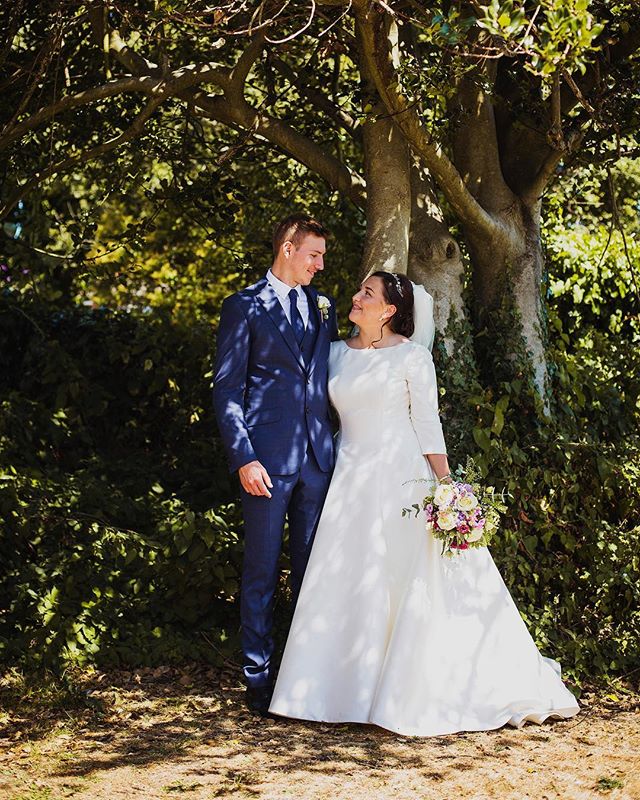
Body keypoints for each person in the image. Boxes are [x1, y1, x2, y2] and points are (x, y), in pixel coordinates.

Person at [269, 271, 579, 736]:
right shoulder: (333, 354)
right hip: (349, 476)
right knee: (352, 576)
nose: (355, 298)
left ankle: (407, 691)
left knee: (406, 577)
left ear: (389, 310)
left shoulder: (413, 358)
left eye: (366, 294)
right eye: (359, 291)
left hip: (402, 476)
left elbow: (428, 428)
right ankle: (336, 690)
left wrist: (447, 488)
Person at [213, 214, 338, 716]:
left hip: (317, 460)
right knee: (262, 571)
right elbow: (227, 391)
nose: (320, 265)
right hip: (264, 462)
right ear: (288, 247)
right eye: (314, 254)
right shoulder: (242, 307)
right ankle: (258, 679)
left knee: (313, 573)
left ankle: (304, 675)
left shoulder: (321, 307)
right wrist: (244, 457)